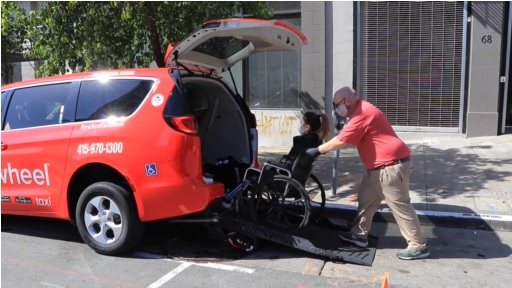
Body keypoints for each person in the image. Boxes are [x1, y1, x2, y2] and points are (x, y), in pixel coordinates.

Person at [305, 86, 429, 260]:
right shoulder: (359, 112)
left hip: (391, 167)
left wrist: (317, 150)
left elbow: (342, 140)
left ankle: (418, 245)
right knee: (366, 201)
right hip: (377, 169)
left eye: (336, 105)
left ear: (347, 101)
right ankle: (359, 235)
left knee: (400, 206)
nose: (336, 109)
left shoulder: (363, 113)